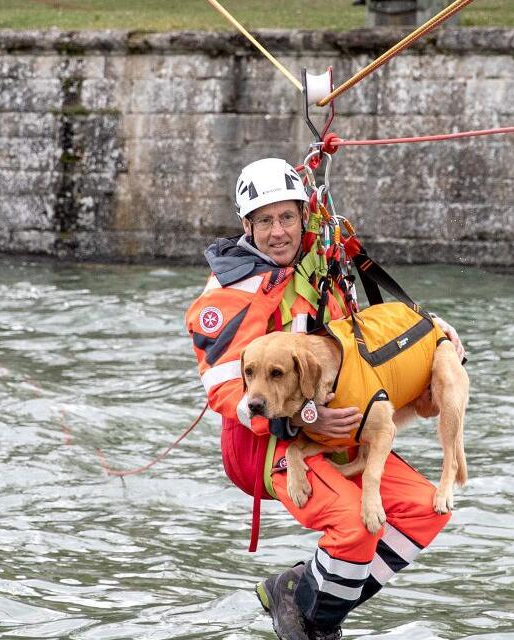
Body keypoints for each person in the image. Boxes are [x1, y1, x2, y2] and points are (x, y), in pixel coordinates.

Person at [185, 158, 455, 640]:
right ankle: (314, 623)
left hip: (336, 427)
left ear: (302, 217)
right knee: (355, 526)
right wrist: (307, 418)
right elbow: (228, 393)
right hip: (264, 445)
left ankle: (303, 597)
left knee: (424, 507)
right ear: (246, 226)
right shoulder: (225, 297)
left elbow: (359, 339)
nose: (278, 232)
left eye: (287, 217)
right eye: (264, 221)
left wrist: (432, 337)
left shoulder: (320, 268)